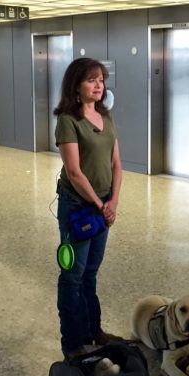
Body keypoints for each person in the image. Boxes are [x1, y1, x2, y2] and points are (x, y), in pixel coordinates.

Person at [54, 57, 123, 359]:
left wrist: (113, 202)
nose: (98, 85)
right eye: (91, 80)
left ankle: (93, 330)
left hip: (104, 203)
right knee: (73, 275)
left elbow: (117, 165)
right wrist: (99, 205)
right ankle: (72, 342)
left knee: (91, 273)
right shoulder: (68, 121)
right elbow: (73, 171)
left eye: (101, 80)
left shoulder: (105, 118)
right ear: (76, 85)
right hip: (78, 206)